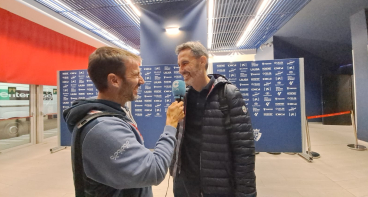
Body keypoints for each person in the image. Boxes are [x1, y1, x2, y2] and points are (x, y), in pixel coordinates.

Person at [63, 46, 185, 197]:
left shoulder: (115, 113)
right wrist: (171, 124)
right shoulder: (103, 129)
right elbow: (155, 170)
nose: (142, 80)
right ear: (114, 80)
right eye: (136, 75)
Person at [170, 41, 257, 197]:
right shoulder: (183, 98)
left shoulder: (228, 94)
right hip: (185, 185)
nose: (180, 70)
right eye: (179, 65)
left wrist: (246, 192)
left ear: (202, 61)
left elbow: (244, 149)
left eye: (185, 63)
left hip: (217, 186)